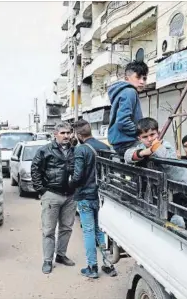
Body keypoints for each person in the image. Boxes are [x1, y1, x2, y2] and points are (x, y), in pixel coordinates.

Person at [70, 119, 117, 279]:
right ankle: (108, 264)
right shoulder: (104, 147)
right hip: (102, 197)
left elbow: (77, 176)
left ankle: (92, 267)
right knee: (100, 230)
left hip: (85, 196)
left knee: (89, 231)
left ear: (78, 134)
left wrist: (69, 184)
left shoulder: (80, 150)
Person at [31, 123, 76, 275]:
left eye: (68, 133)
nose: (66, 136)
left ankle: (61, 255)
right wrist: (42, 190)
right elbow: (35, 169)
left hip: (70, 196)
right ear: (55, 134)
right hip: (52, 194)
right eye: (63, 133)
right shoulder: (45, 151)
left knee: (67, 228)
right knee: (49, 230)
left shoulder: (74, 150)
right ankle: (48, 260)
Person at [124, 117, 187, 186]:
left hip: (186, 182)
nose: (149, 139)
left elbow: (169, 164)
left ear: (158, 133)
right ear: (139, 138)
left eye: (152, 134)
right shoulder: (141, 147)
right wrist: (143, 152)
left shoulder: (166, 145)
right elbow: (127, 155)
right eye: (145, 137)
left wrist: (156, 147)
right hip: (171, 186)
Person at [107, 60, 148, 156]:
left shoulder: (122, 91)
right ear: (127, 78)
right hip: (128, 143)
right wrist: (141, 133)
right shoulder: (130, 91)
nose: (142, 81)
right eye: (138, 77)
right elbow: (123, 121)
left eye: (144, 78)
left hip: (120, 142)